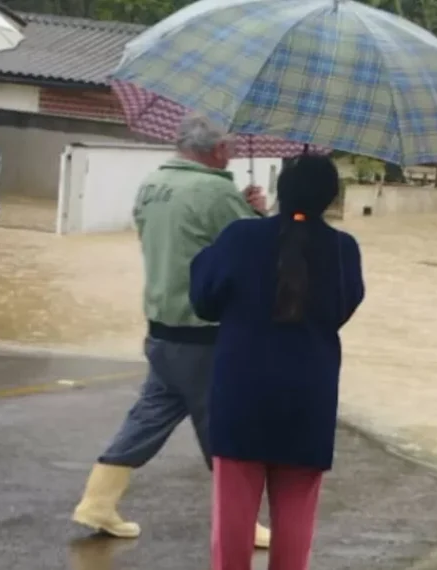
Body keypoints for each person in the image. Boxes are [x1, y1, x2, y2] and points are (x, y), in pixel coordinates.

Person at [70, 115, 273, 548]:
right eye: (231, 148)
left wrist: (239, 209)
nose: (233, 155)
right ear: (217, 150)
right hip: (205, 333)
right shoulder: (216, 190)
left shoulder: (153, 183)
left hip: (162, 327)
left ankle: (97, 502)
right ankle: (240, 522)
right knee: (225, 428)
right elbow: (255, 252)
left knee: (150, 415)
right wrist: (258, 213)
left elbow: (186, 236)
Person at [190, 154, 365, 570]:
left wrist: (249, 226)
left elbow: (203, 300)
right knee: (296, 521)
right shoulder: (344, 249)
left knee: (232, 523)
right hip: (309, 396)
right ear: (330, 198)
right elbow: (340, 310)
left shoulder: (240, 236)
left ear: (280, 190)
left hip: (241, 393)